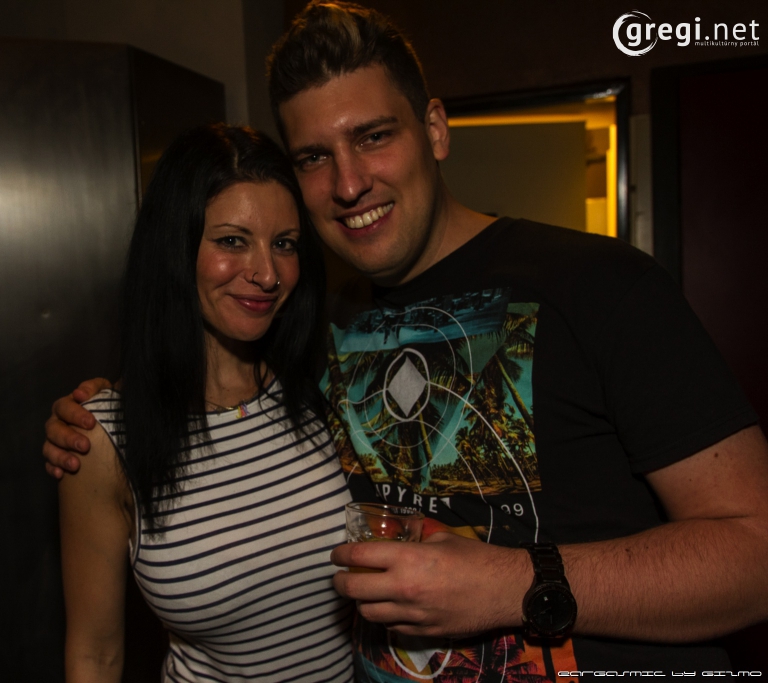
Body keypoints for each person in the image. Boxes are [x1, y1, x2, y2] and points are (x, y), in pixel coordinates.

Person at [48, 2, 768, 680]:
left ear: (435, 129)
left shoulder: (601, 286)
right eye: (314, 156)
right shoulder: (314, 327)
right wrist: (101, 412)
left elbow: (757, 553)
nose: (349, 183)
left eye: (373, 136)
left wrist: (514, 583)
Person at [59, 122, 354, 682]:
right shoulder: (102, 439)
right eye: (232, 241)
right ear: (176, 249)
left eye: (284, 244)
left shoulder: (327, 389)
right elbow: (95, 655)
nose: (267, 274)